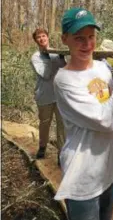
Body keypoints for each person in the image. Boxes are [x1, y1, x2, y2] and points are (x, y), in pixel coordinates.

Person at [53, 7, 113, 220]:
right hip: (83, 175)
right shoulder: (64, 81)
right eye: (79, 38)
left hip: (109, 168)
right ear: (65, 39)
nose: (87, 44)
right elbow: (107, 119)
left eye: (91, 37)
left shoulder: (102, 67)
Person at [31, 28, 66, 161]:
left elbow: (64, 70)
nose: (42, 39)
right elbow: (45, 75)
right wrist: (47, 57)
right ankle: (42, 147)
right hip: (44, 96)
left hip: (59, 95)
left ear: (47, 37)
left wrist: (61, 59)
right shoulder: (35, 57)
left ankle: (61, 154)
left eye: (43, 36)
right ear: (36, 41)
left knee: (62, 125)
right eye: (38, 37)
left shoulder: (56, 53)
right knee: (45, 123)